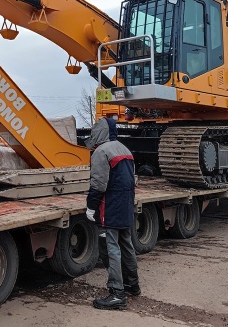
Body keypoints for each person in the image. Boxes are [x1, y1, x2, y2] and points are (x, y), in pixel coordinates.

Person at [85, 117, 140, 310]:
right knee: (127, 245)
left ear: (99, 132)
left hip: (110, 206)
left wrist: (91, 207)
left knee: (111, 249)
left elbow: (98, 184)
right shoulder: (124, 149)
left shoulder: (101, 151)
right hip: (126, 205)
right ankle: (133, 285)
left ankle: (117, 293)